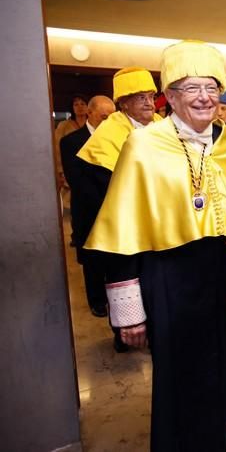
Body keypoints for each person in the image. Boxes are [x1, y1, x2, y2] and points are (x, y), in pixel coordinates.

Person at [84, 40, 226, 451]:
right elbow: (119, 234)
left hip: (219, 280)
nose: (203, 98)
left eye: (211, 88)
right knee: (178, 378)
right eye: (190, 88)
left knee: (218, 371)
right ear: (171, 96)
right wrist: (128, 314)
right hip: (168, 281)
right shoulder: (143, 146)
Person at [77, 66, 161, 352]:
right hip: (125, 226)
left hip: (161, 224)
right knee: (126, 279)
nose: (149, 103)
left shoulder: (163, 126)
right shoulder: (108, 135)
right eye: (140, 97)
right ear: (123, 102)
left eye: (151, 96)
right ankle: (123, 333)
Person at [59, 95, 116, 317]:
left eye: (113, 117)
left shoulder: (120, 138)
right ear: (90, 113)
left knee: (113, 260)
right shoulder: (71, 141)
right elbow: (77, 181)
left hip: (116, 211)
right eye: (104, 117)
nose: (109, 121)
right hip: (89, 210)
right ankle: (97, 301)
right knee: (92, 259)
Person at [54, 94, 88, 190]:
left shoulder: (93, 124)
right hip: (70, 166)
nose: (79, 107)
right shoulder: (64, 125)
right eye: (76, 104)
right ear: (72, 107)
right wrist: (60, 171)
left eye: (82, 104)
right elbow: (57, 148)